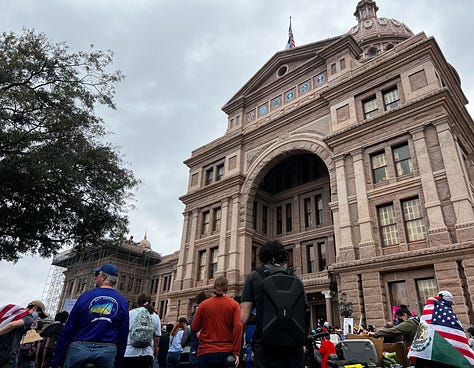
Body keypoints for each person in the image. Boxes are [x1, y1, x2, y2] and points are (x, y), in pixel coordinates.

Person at [240, 240, 309, 368]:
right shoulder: (295, 277)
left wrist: (260, 317)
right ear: (282, 256)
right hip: (294, 348)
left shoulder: (254, 276)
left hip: (266, 348)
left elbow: (243, 318)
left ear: (263, 256)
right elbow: (304, 312)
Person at [50, 263, 129, 368]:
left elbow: (69, 328)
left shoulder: (85, 296)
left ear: (103, 277)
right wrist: (118, 362)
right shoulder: (122, 301)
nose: (95, 278)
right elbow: (123, 334)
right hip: (107, 350)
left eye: (97, 274)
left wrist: (56, 361)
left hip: (79, 347)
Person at [191, 275, 243, 368]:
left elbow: (194, 327)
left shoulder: (203, 305)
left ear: (214, 287)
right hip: (226, 352)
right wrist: (236, 352)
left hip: (205, 352)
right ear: (227, 288)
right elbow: (238, 328)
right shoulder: (234, 305)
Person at [0, 300, 48, 367]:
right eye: (39, 314)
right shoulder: (29, 318)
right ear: (35, 308)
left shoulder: (15, 314)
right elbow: (12, 325)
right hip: (9, 356)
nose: (38, 317)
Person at [123, 293, 162, 368]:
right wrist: (155, 351)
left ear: (137, 302)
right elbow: (157, 338)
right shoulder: (155, 316)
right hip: (147, 353)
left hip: (129, 352)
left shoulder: (130, 314)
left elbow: (123, 333)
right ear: (150, 302)